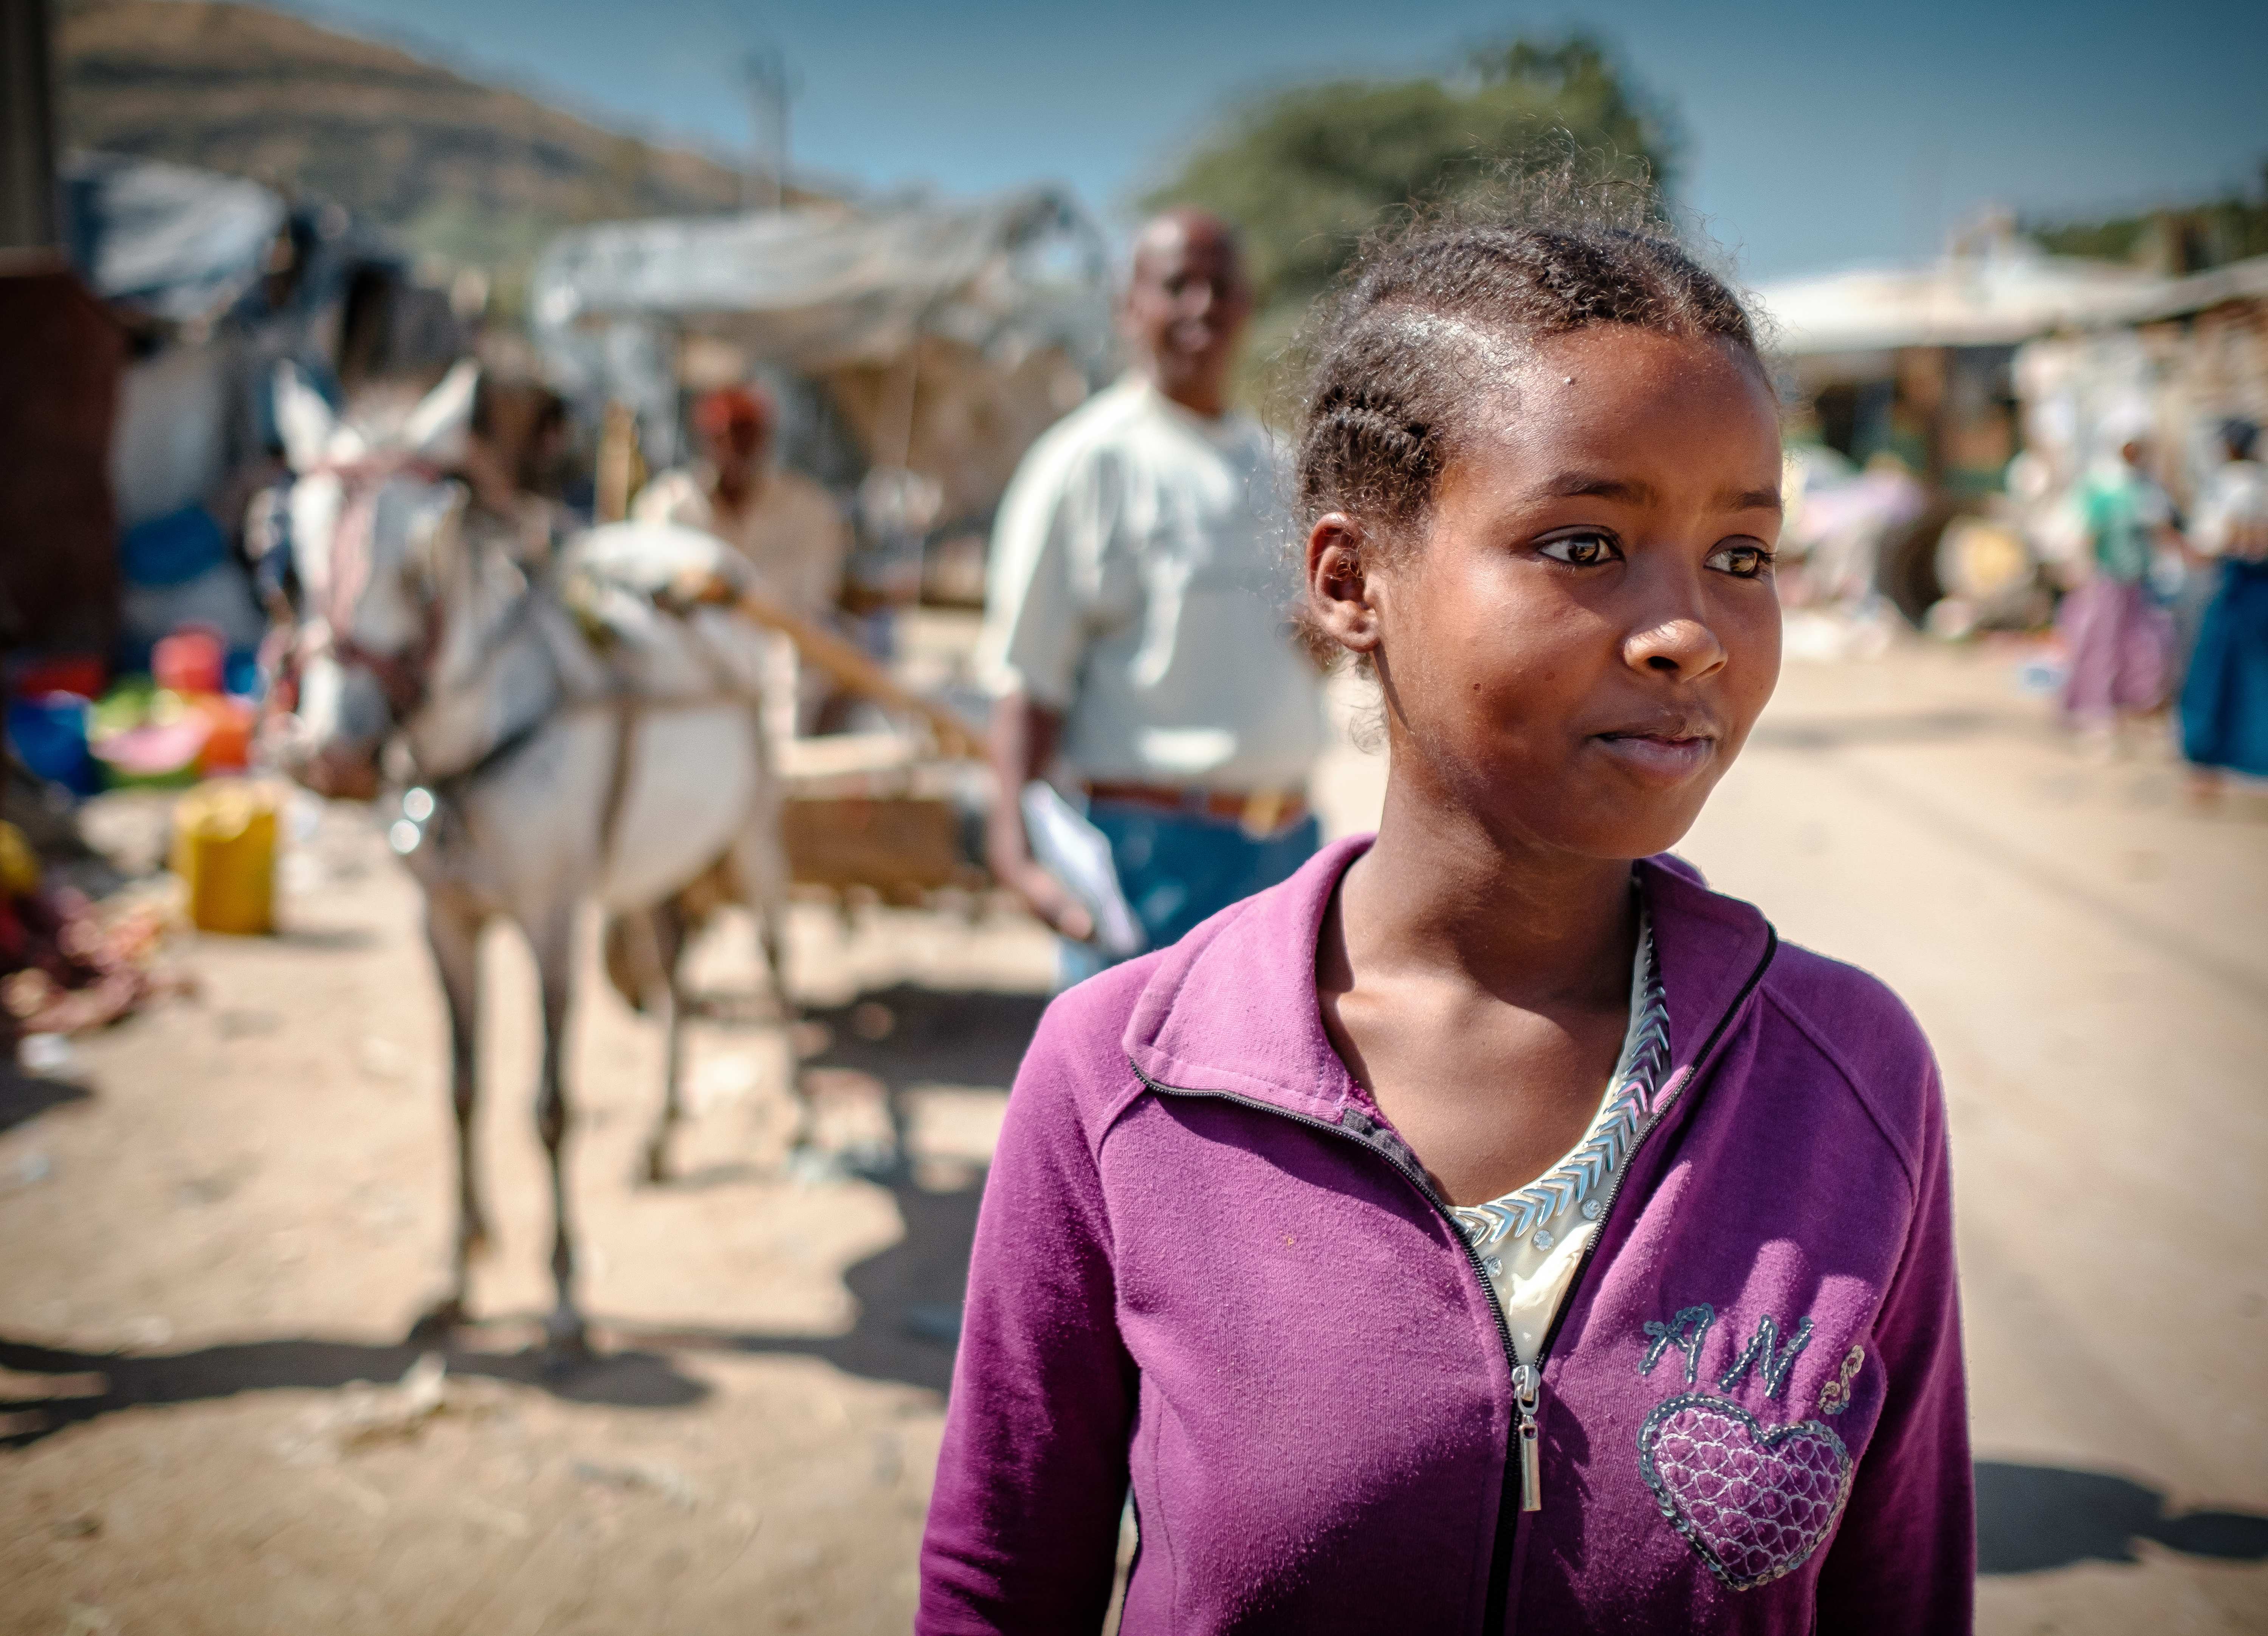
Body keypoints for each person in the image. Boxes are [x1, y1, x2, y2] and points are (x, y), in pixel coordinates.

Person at [920, 196, 1972, 1632]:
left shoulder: (1849, 1085)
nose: (1690, 630)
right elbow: (996, 1587)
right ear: (1350, 582)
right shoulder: (1119, 1082)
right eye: (1585, 544)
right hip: (1137, 835)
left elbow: (1901, 1598)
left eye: (1741, 554)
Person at [978, 209, 1326, 983]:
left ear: (1248, 304)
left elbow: (1315, 650)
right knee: (1138, 1098)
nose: (1201, 306)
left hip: (1288, 847)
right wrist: (1014, 848)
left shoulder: (1282, 470)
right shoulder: (1086, 465)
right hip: (1146, 854)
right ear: (1129, 307)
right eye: (1177, 285)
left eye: (1221, 286)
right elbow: (1027, 680)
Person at [635, 386, 851, 733]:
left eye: (747, 436)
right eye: (724, 437)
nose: (736, 448)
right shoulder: (669, 507)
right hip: (691, 663)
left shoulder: (808, 509)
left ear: (764, 440)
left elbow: (814, 592)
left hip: (782, 660)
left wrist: (740, 602)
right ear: (706, 440)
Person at [2058, 434, 2177, 750]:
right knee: (2101, 644)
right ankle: (2095, 710)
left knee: (2142, 643)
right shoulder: (2106, 488)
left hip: (2139, 580)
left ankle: (2134, 704)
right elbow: (2089, 533)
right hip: (2107, 578)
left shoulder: (2147, 490)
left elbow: (2161, 532)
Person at [2179, 417, 2268, 793]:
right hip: (2255, 591)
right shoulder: (2260, 482)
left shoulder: (2233, 484)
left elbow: (2223, 540)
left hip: (2238, 589)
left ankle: (2211, 765)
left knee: (2217, 676)